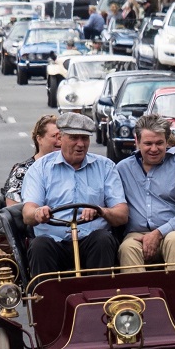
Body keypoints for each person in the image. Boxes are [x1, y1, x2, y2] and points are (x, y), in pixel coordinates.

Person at [21, 113, 128, 277]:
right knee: (39, 246)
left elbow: (122, 214)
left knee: (103, 240)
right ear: (60, 137)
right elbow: (28, 213)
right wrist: (38, 213)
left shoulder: (105, 167)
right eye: (74, 138)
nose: (80, 144)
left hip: (91, 241)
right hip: (54, 242)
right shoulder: (40, 168)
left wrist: (102, 211)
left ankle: (99, 298)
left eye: (85, 138)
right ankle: (46, 301)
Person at [117, 114, 175, 270]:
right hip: (137, 234)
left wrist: (159, 232)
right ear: (137, 142)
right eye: (148, 143)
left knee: (173, 241)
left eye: (159, 143)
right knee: (127, 248)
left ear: (167, 141)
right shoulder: (123, 169)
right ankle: (137, 295)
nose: (154, 149)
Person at [2, 114, 60, 205]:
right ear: (39, 139)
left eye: (62, 136)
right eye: (54, 136)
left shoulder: (71, 167)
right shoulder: (22, 171)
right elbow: (11, 209)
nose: (59, 141)